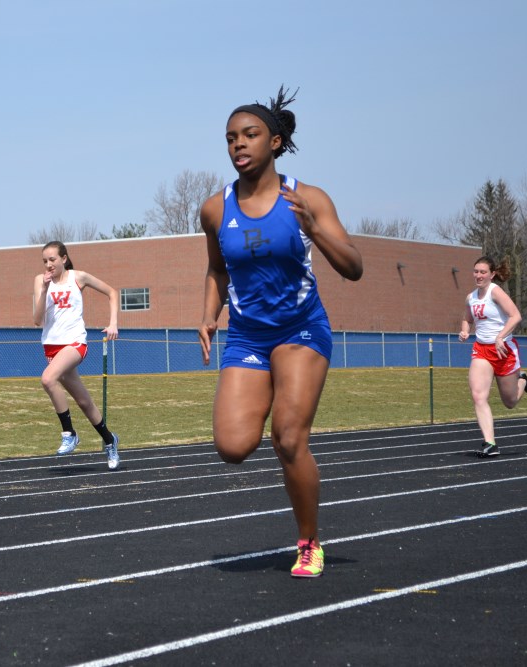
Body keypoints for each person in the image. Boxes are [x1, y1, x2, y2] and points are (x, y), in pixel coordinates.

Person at [198, 87, 363, 578]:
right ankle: (268, 386)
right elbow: (217, 270)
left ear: (274, 142)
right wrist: (208, 315)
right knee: (232, 446)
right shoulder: (215, 209)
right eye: (230, 138)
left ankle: (309, 541)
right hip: (248, 336)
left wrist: (314, 228)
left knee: (288, 438)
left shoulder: (307, 198)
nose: (238, 144)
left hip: (300, 328)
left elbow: (354, 267)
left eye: (249, 135)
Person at [33, 241, 121, 469]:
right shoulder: (40, 281)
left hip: (75, 343)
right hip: (51, 347)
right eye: (45, 261)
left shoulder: (78, 277)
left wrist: (113, 323)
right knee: (84, 401)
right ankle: (110, 440)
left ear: (64, 259)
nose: (48, 264)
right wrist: (44, 290)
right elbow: (37, 320)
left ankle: (69, 433)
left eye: (52, 259)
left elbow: (112, 292)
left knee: (47, 379)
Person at [458, 256, 527, 458]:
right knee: (478, 395)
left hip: (503, 350)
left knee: (509, 402)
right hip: (482, 350)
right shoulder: (471, 297)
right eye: (476, 271)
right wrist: (464, 331)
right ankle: (490, 443)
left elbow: (516, 316)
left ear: (492, 274)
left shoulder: (495, 292)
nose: (478, 275)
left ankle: (523, 381)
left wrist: (500, 337)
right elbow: (467, 319)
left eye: (483, 272)